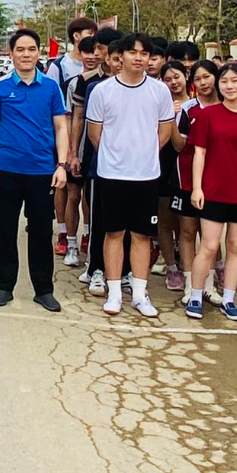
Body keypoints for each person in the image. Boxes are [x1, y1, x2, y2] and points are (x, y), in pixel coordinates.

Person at [85, 33, 175, 318]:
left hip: (146, 176)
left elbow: (165, 130)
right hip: (111, 174)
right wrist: (116, 154)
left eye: (144, 53)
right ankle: (114, 292)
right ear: (120, 56)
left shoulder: (159, 91)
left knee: (142, 235)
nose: (138, 58)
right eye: (133, 52)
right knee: (113, 233)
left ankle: (139, 292)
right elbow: (95, 133)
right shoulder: (103, 91)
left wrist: (144, 153)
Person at [0, 29, 70, 311]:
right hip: (7, 170)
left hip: (42, 171)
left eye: (31, 49)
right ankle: (4, 286)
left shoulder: (51, 88)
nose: (26, 54)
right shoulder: (0, 88)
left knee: (41, 232)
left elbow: (61, 127)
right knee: (5, 230)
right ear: (11, 54)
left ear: (38, 53)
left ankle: (43, 290)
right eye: (20, 49)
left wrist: (61, 165)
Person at [187, 63, 237, 322]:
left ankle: (229, 299)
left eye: (235, 81)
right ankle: (195, 295)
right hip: (213, 189)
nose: (229, 86)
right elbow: (199, 153)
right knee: (209, 246)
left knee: (236, 245)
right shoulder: (208, 115)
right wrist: (197, 187)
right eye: (224, 81)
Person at [75, 30, 124, 295]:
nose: (118, 63)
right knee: (100, 220)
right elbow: (85, 124)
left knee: (127, 225)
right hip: (101, 163)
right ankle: (95, 268)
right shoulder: (93, 86)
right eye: (115, 58)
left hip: (135, 169)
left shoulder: (149, 89)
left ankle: (124, 271)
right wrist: (74, 153)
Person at [44, 17, 97, 251]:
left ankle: (86, 233)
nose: (92, 54)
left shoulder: (100, 70)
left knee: (85, 191)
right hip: (63, 133)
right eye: (89, 33)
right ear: (76, 36)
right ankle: (64, 232)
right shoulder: (60, 66)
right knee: (64, 187)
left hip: (88, 139)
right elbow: (53, 102)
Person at [171, 60, 220, 300]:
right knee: (188, 231)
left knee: (211, 236)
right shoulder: (188, 109)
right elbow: (178, 145)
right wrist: (170, 118)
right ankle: (191, 284)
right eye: (198, 79)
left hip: (218, 179)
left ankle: (209, 285)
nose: (203, 82)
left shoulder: (228, 106)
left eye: (207, 77)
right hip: (188, 178)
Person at [156, 60, 196, 294]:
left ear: (186, 75)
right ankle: (171, 267)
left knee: (186, 224)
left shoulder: (196, 104)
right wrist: (168, 114)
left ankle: (187, 264)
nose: (173, 82)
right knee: (164, 219)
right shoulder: (159, 103)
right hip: (163, 166)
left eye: (177, 76)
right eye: (167, 79)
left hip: (189, 170)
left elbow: (183, 145)